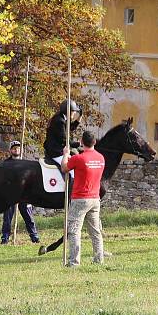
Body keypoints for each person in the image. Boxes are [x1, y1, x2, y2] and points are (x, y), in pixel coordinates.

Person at [61, 130, 105, 267]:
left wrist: (65, 155)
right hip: (95, 199)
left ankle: (74, 262)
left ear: (81, 141)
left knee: (74, 230)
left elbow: (64, 168)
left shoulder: (79, 158)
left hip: (80, 198)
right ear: (95, 142)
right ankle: (99, 258)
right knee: (95, 231)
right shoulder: (101, 158)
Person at [44, 100, 82, 169]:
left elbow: (70, 128)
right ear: (68, 111)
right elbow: (64, 139)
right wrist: (78, 144)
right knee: (73, 168)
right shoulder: (59, 121)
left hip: (58, 150)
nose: (74, 113)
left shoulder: (61, 117)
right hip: (55, 152)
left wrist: (79, 117)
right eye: (73, 111)